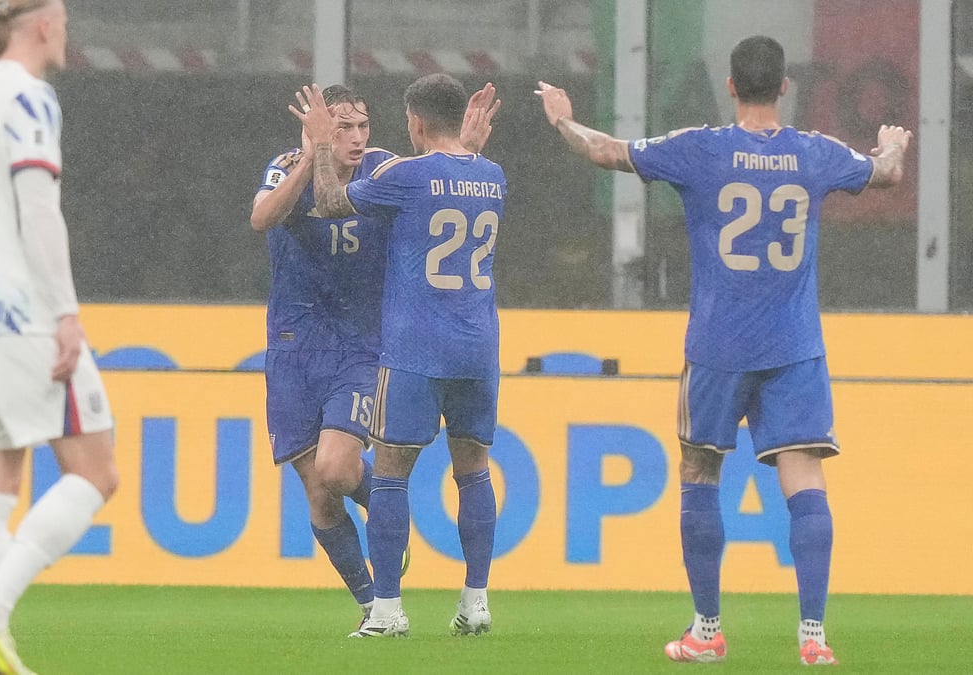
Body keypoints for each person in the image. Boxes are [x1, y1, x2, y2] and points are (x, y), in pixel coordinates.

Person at [534, 35, 911, 665]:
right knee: (805, 478)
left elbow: (604, 152)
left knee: (700, 472)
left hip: (717, 346)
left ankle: (707, 631)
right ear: (785, 88)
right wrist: (894, 141)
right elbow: (888, 173)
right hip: (794, 347)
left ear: (731, 86)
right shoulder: (815, 153)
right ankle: (814, 640)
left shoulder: (700, 149)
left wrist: (560, 117)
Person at [254, 82, 499, 633]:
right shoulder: (286, 165)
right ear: (317, 128)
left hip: (365, 343)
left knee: (338, 467)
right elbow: (262, 218)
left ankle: (389, 521)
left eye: (364, 126)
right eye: (344, 128)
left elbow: (435, 181)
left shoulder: (386, 168)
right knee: (319, 495)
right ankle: (372, 604)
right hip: (295, 345)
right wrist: (310, 156)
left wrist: (465, 149)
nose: (359, 138)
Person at [0, 1, 119, 673]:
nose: (67, 32)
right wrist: (65, 311)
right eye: (64, 20)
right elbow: (38, 209)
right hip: (21, 315)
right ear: (41, 24)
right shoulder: (29, 97)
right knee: (97, 471)